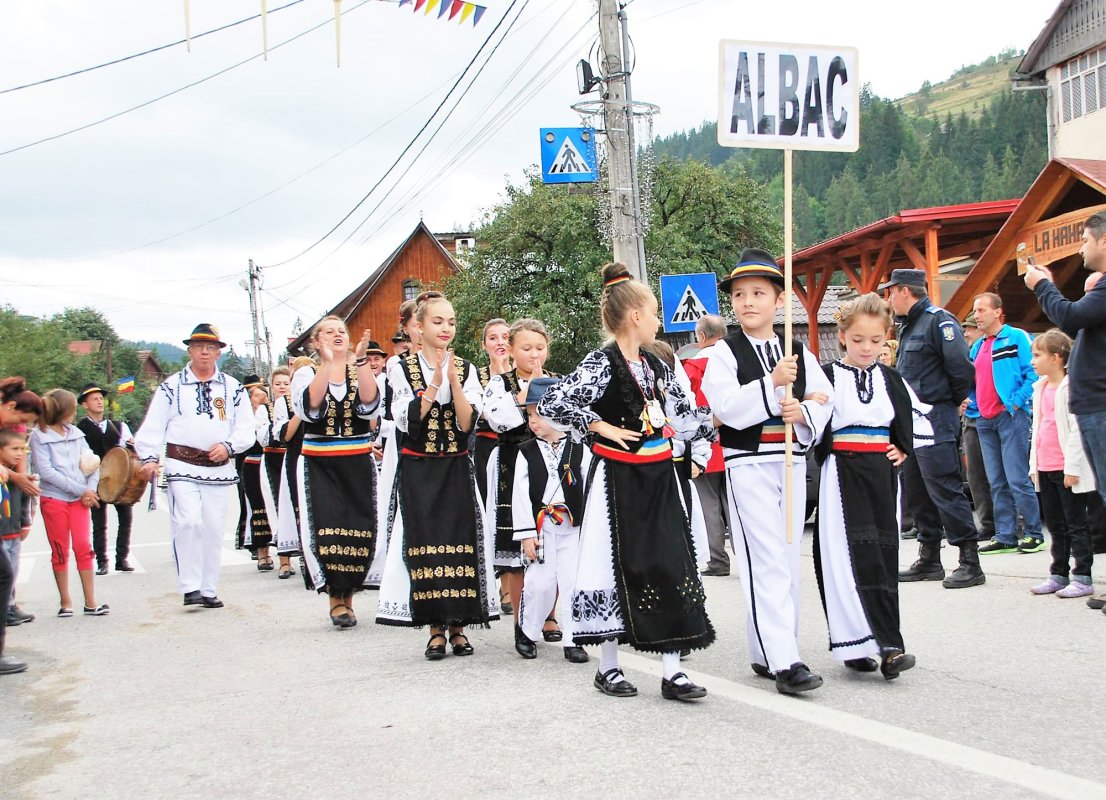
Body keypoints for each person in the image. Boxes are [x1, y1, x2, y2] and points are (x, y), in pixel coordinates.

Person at [538, 263, 714, 702]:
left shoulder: (656, 365)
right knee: (612, 564)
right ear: (635, 315)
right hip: (616, 478)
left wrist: (724, 417)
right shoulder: (601, 362)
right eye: (654, 312)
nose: (658, 321)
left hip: (659, 475)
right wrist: (598, 425)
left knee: (670, 562)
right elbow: (554, 403)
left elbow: (683, 416)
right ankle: (609, 666)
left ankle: (673, 671)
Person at [701, 249, 833, 695]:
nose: (747, 302)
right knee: (766, 560)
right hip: (749, 463)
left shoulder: (797, 349)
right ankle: (785, 660)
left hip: (790, 461)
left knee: (787, 559)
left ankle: (766, 650)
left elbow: (824, 397)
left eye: (758, 293)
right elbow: (724, 407)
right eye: (739, 295)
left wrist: (804, 412)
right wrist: (771, 384)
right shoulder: (724, 351)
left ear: (778, 300)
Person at [813, 293, 931, 680]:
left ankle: (888, 644)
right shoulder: (827, 377)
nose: (867, 347)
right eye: (858, 339)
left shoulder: (891, 379)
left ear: (886, 339)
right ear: (842, 336)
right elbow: (812, 424)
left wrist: (903, 447)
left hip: (881, 474)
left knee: (882, 554)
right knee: (846, 557)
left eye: (876, 340)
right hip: (842, 475)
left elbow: (910, 421)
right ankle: (859, 644)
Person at [376, 294, 499, 658]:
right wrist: (433, 383)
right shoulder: (400, 369)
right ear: (419, 327)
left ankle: (459, 626)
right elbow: (408, 420)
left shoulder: (466, 368)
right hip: (420, 469)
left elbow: (467, 422)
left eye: (451, 322)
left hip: (456, 466)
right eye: (438, 322)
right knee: (425, 543)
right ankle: (434, 628)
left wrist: (454, 383)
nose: (446, 328)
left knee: (461, 540)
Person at [134, 324, 256, 609]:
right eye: (199, 346)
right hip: (182, 465)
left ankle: (209, 588)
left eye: (210, 347)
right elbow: (153, 425)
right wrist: (149, 457)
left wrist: (229, 446)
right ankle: (190, 586)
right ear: (189, 350)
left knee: (213, 528)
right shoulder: (172, 387)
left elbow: (246, 428)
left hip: (217, 466)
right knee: (189, 521)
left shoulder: (233, 388)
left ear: (218, 353)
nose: (204, 352)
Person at [882, 269, 982, 589]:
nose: (889, 298)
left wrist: (949, 402)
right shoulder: (909, 325)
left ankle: (970, 561)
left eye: (891, 292)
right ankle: (929, 558)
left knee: (944, 487)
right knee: (917, 489)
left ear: (905, 291)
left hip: (935, 415)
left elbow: (961, 368)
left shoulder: (939, 321)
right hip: (911, 420)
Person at [291, 316, 381, 627]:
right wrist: (328, 365)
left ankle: (349, 598)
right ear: (317, 342)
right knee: (327, 527)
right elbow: (309, 408)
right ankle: (334, 598)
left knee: (357, 526)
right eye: (329, 332)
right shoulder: (307, 373)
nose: (337, 335)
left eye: (341, 331)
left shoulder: (359, 369)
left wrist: (361, 362)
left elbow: (370, 406)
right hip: (321, 461)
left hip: (357, 459)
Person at [482, 318, 560, 634]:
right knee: (516, 551)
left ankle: (550, 616)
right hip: (512, 466)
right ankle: (521, 619)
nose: (534, 354)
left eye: (540, 347)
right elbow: (496, 420)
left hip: (549, 468)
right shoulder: (500, 384)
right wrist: (523, 395)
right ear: (512, 350)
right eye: (526, 348)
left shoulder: (558, 381)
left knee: (552, 543)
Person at [511, 376, 589, 664]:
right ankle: (527, 632)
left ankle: (574, 638)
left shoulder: (580, 448)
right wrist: (526, 534)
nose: (532, 421)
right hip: (541, 527)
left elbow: (590, 486)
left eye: (538, 414)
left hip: (573, 528)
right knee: (539, 583)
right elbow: (520, 495)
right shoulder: (526, 451)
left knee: (572, 582)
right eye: (529, 415)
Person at [968, 293, 1042, 555]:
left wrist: (1016, 402)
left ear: (997, 312)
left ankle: (1034, 533)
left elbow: (1033, 372)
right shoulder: (977, 346)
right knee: (996, 480)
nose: (976, 315)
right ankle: (1005, 535)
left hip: (1010, 416)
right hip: (984, 419)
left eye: (981, 310)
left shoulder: (1017, 337)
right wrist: (973, 403)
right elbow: (972, 380)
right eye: (975, 310)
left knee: (1016, 478)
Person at [1026, 329, 1096, 598]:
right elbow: (1038, 428)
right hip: (1045, 466)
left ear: (1055, 358)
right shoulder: (1040, 388)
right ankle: (1058, 573)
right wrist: (1034, 465)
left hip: (1065, 468)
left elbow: (1077, 430)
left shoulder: (1069, 388)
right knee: (1055, 525)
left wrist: (1073, 467)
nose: (1033, 361)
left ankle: (1083, 576)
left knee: (1076, 523)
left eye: (1037, 355)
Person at [30, 389, 109, 617]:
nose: (74, 414)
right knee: (60, 549)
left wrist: (90, 490)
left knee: (84, 547)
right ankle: (65, 602)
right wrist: (81, 489)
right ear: (61, 411)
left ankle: (91, 602)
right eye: (72, 409)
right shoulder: (39, 436)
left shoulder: (76, 433)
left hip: (80, 500)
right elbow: (46, 472)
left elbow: (91, 462)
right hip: (54, 499)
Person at [681, 314, 731, 577]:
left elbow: (686, 409)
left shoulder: (692, 367)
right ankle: (749, 556)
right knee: (736, 503)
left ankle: (718, 560)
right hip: (737, 442)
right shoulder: (735, 360)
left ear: (701, 336)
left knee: (708, 504)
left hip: (706, 443)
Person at [76, 384, 135, 575]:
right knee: (99, 523)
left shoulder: (118, 426)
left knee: (126, 519)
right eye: (94, 399)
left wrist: (133, 448)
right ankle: (102, 561)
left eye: (101, 398)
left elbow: (131, 451)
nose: (99, 401)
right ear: (85, 404)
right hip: (95, 482)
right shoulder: (79, 430)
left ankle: (122, 558)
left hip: (119, 481)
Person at [959, 313, 997, 545]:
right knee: (975, 474)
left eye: (970, 328)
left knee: (998, 473)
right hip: (971, 415)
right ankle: (987, 524)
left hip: (992, 415)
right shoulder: (970, 351)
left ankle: (1011, 524)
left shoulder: (991, 347)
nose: (966, 333)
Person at [274, 358, 312, 578]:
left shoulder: (320, 396)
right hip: (296, 456)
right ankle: (299, 557)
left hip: (316, 455)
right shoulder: (284, 403)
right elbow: (285, 435)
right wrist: (300, 409)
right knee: (297, 507)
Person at [259, 367, 297, 579]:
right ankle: (284, 561)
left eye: (286, 383)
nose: (282, 387)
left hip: (295, 457)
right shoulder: (266, 409)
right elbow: (264, 438)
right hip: (274, 460)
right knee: (279, 507)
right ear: (271, 387)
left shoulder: (301, 404)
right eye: (278, 384)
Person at [240, 381, 275, 570]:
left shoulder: (273, 412)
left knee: (274, 506)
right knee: (258, 508)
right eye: (256, 395)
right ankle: (262, 553)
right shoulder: (245, 418)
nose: (261, 398)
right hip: (253, 464)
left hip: (272, 462)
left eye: (264, 395)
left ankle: (281, 551)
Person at [1, 430, 35, 627]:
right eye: (14, 449)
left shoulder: (18, 476)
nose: (19, 454)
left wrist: (26, 522)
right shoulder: (5, 475)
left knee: (12, 571)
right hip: (2, 533)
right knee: (4, 572)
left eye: (22, 449)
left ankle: (10, 606)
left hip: (14, 531)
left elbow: (26, 499)